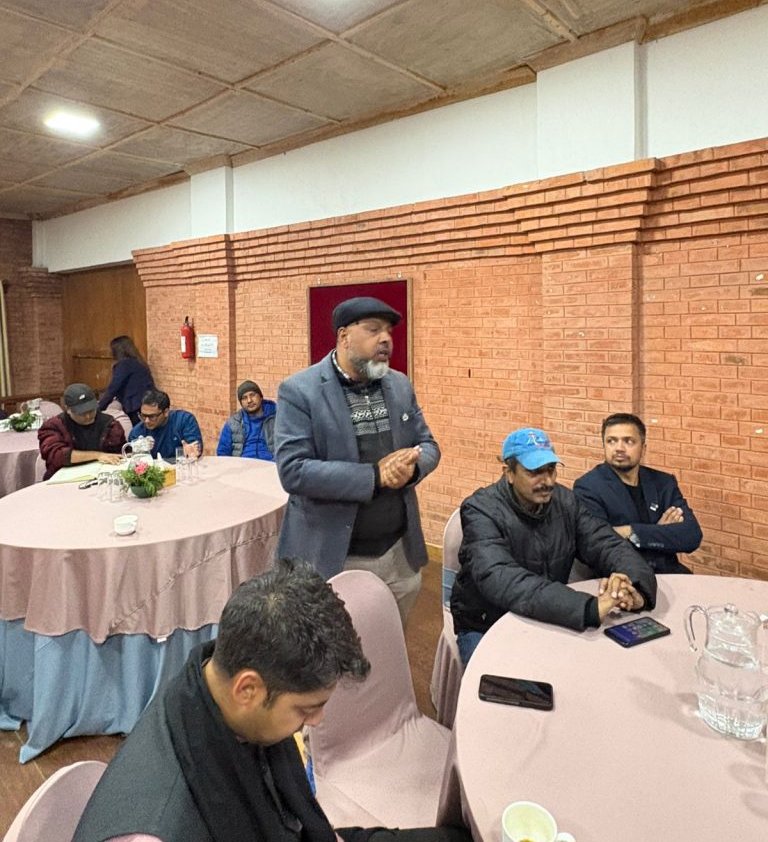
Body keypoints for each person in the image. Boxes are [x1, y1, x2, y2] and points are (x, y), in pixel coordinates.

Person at [72, 560, 471, 842]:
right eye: (307, 708)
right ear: (248, 689)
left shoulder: (211, 684)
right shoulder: (160, 828)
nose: (316, 721)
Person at [275, 296, 440, 627]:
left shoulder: (399, 385)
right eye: (373, 330)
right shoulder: (300, 391)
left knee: (390, 643)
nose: (386, 339)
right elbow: (293, 471)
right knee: (335, 651)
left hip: (399, 555)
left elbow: (429, 445)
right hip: (335, 558)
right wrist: (374, 476)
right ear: (344, 336)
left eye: (389, 331)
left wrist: (412, 470)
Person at [450, 427, 657, 667]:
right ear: (509, 473)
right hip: (486, 623)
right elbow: (500, 577)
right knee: (509, 687)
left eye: (551, 470)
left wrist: (635, 588)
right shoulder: (480, 509)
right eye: (535, 472)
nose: (547, 481)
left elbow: (606, 543)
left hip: (546, 615)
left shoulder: (566, 501)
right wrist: (586, 608)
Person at [573, 413, 702, 574]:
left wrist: (630, 532)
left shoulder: (664, 483)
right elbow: (596, 546)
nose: (619, 448)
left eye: (629, 441)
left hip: (669, 574)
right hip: (622, 578)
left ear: (643, 448)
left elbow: (691, 535)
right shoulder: (588, 487)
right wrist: (659, 532)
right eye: (611, 441)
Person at [38, 382, 125, 480]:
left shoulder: (109, 424)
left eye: (91, 410)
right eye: (81, 413)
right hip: (64, 480)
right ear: (68, 409)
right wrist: (97, 455)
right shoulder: (54, 426)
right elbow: (56, 455)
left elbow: (121, 452)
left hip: (103, 478)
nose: (88, 416)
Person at [128, 388, 203, 462]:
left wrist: (193, 451)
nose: (146, 421)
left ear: (166, 412)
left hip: (181, 466)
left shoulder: (184, 420)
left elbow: (195, 449)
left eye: (152, 416)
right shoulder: (137, 433)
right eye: (143, 416)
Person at [97, 335, 156, 426]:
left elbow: (113, 388)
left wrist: (99, 408)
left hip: (136, 405)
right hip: (148, 402)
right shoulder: (139, 362)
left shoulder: (124, 365)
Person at [216, 381, 276, 461]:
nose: (249, 400)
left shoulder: (277, 418)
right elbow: (222, 452)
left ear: (261, 397)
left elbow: (288, 447)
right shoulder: (233, 423)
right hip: (242, 465)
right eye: (244, 398)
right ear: (241, 403)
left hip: (271, 464)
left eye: (252, 395)